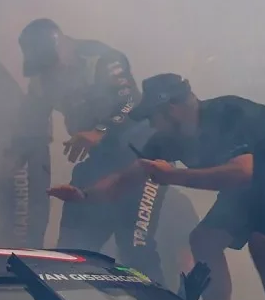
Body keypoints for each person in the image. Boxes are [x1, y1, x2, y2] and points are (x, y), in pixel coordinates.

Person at [52, 74, 265, 300]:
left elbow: (241, 172)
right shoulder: (168, 138)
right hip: (255, 180)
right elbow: (128, 178)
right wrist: (84, 195)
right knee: (204, 240)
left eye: (153, 117)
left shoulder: (227, 114)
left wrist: (172, 176)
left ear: (172, 109)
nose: (151, 125)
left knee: (262, 243)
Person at [16, 18, 168, 281]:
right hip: (100, 161)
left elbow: (130, 101)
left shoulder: (103, 59)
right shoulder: (41, 81)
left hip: (141, 158)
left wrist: (100, 130)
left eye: (50, 63)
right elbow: (32, 125)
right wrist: (11, 156)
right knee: (71, 247)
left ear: (62, 44)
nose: (49, 72)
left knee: (135, 247)